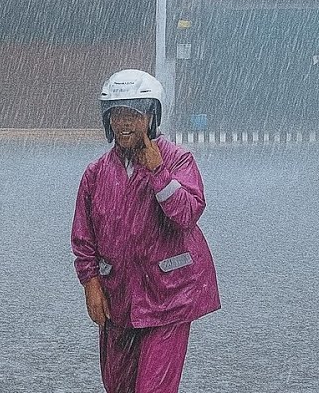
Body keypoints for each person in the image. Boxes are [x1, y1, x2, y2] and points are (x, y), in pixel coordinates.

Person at [71, 69, 220, 393]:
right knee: (118, 386)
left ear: (152, 116)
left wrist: (158, 172)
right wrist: (91, 285)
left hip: (169, 296)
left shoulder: (178, 160)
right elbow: (84, 238)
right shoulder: (96, 174)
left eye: (134, 115)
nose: (125, 123)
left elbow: (186, 214)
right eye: (117, 115)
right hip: (119, 297)